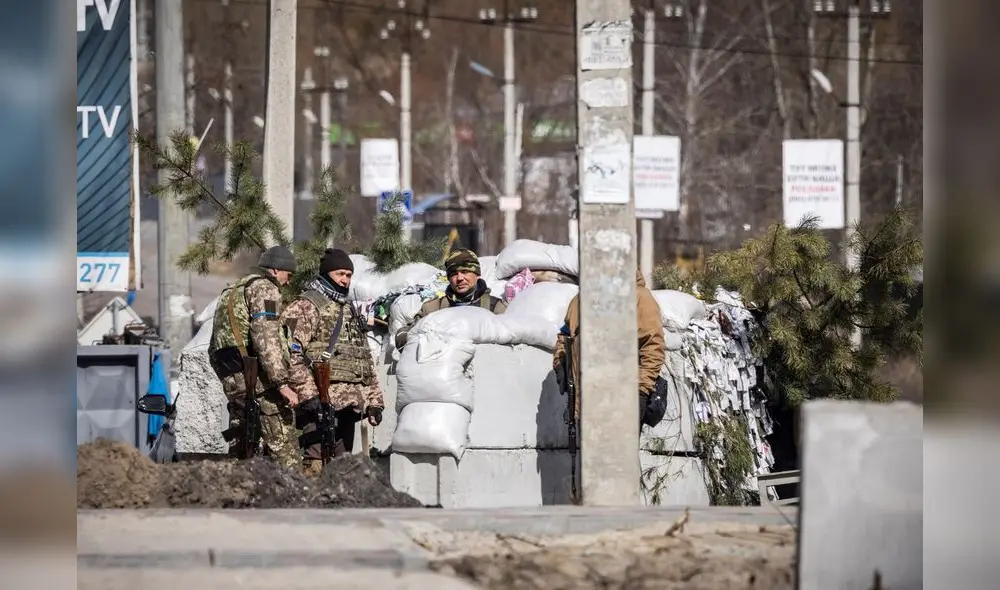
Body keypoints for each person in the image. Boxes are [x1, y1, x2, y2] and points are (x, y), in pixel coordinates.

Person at [282, 248, 385, 476]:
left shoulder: (348, 309)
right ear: (326, 273)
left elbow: (363, 358)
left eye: (348, 275)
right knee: (315, 464)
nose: (345, 280)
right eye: (340, 274)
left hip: (349, 405)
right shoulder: (306, 306)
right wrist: (309, 395)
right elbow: (291, 354)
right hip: (319, 402)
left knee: (343, 469)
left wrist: (374, 401)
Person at [207, 246, 301, 470]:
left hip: (235, 378)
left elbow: (214, 347)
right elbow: (266, 336)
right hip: (257, 380)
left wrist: (230, 379)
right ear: (276, 270)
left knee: (242, 446)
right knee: (285, 451)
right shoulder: (264, 287)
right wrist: (281, 383)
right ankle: (295, 502)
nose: (287, 283)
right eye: (288, 275)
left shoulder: (232, 289)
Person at [552, 269, 666, 428]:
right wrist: (560, 362)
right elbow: (564, 336)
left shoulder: (639, 299)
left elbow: (653, 348)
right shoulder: (580, 301)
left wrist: (641, 391)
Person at [395, 248, 507, 348]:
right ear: (448, 278)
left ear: (477, 275)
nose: (459, 278)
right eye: (454, 274)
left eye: (465, 272)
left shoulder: (495, 307)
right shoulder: (433, 308)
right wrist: (406, 338)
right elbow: (407, 333)